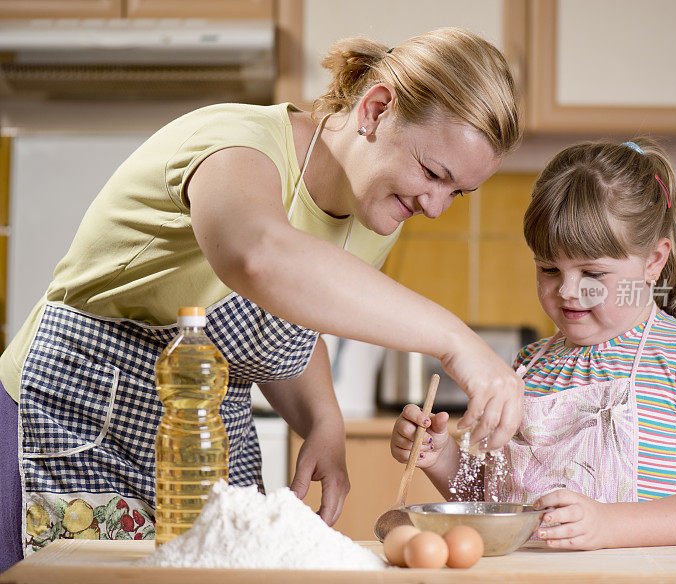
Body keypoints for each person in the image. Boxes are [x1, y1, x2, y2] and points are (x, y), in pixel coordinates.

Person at [0, 27, 525, 568]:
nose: (437, 206)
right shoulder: (239, 144)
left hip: (201, 454)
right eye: (432, 174)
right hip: (74, 427)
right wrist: (457, 341)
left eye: (456, 192)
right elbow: (260, 258)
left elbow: (285, 316)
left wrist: (324, 420)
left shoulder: (375, 216)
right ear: (375, 108)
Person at [390, 139, 676, 550]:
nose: (567, 290)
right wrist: (439, 457)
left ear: (653, 261)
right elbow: (496, 508)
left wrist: (608, 525)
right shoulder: (529, 365)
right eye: (548, 268)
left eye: (593, 273)